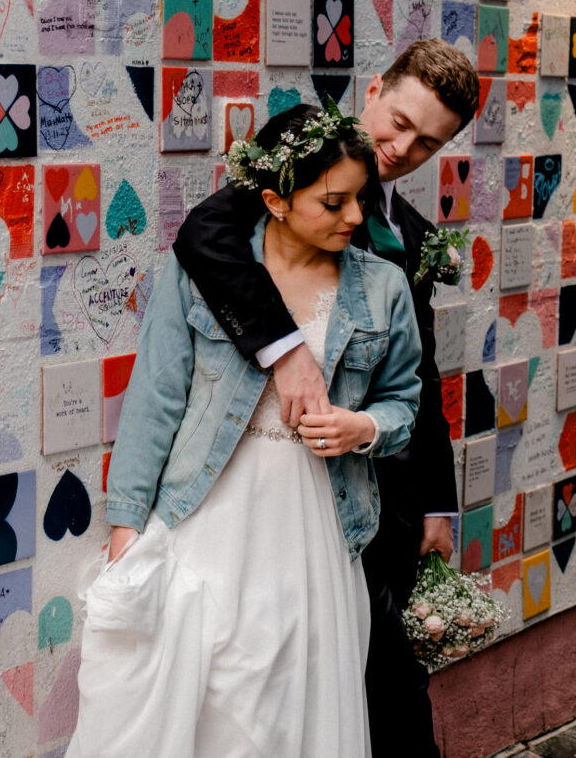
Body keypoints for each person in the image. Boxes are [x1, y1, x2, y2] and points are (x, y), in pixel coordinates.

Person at [67, 103, 423, 758]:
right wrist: (126, 528)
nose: (354, 218)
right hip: (202, 519)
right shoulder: (203, 272)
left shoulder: (384, 288)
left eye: (361, 200)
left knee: (288, 706)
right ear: (276, 200)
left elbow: (405, 404)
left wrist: (362, 426)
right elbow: (155, 399)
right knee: (208, 704)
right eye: (334, 202)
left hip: (316, 527)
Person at [171, 39, 480, 757]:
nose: (401, 147)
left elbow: (420, 377)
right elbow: (204, 233)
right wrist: (286, 352)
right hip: (283, 501)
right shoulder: (295, 172)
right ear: (373, 88)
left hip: (385, 498)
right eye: (398, 121)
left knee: (391, 688)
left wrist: (437, 500)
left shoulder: (413, 238)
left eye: (427, 143)